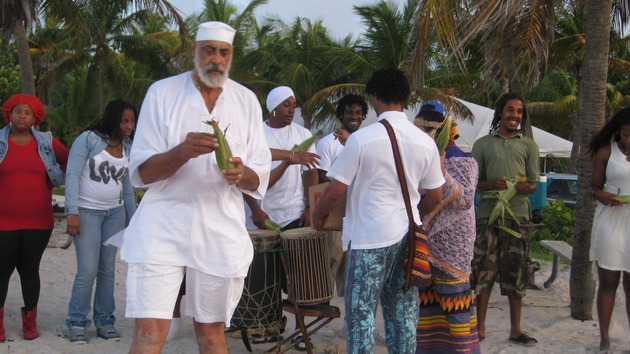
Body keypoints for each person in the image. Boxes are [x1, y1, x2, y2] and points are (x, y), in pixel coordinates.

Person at [120, 21, 271, 354]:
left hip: (219, 229)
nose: (216, 59)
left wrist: (241, 174)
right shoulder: (162, 93)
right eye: (209, 50)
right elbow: (141, 173)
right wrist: (182, 151)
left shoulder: (245, 100)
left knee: (211, 333)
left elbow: (259, 175)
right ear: (194, 51)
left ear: (230, 55)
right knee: (149, 332)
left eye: (224, 52)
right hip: (162, 225)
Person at [312, 67, 444, 353]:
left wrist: (317, 215)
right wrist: (412, 211)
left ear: (374, 97)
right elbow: (435, 196)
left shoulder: (362, 138)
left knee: (361, 316)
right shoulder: (425, 142)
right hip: (407, 238)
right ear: (405, 99)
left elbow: (334, 191)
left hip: (368, 238)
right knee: (403, 314)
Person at [60, 99, 138, 343]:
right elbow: (72, 173)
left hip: (114, 214)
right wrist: (72, 211)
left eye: (132, 121)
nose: (129, 126)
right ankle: (76, 322)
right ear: (113, 118)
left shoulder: (128, 147)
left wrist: (133, 220)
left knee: (107, 270)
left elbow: (127, 188)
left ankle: (105, 320)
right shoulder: (89, 139)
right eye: (124, 120)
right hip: (87, 212)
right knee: (87, 270)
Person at [471, 92, 539, 347]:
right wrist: (491, 183)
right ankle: (479, 328)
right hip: (488, 216)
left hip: (518, 217)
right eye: (511, 110)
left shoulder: (529, 145)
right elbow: (474, 184)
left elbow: (533, 182)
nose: (515, 116)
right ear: (500, 112)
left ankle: (516, 329)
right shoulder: (483, 144)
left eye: (520, 111)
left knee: (516, 271)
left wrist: (525, 188)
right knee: (483, 271)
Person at [413, 102, 480, 353]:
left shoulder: (463, 160)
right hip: (424, 244)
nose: (424, 133)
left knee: (455, 309)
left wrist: (440, 167)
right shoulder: (419, 156)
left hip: (453, 250)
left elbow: (463, 201)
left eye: (430, 129)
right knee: (428, 308)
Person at [0, 94, 69, 341]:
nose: (22, 115)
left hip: (38, 220)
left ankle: (30, 322)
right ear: (9, 113)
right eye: (18, 111)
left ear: (35, 117)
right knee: (2, 269)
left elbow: (72, 161)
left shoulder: (47, 143)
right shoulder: (0, 140)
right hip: (2, 220)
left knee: (29, 270)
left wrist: (55, 178)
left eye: (27, 112)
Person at [245, 86, 319, 232]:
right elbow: (244, 178)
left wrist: (310, 208)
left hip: (294, 214)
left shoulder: (303, 134)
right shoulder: (255, 134)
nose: (291, 110)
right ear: (273, 108)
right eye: (286, 105)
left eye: (293, 106)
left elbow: (311, 173)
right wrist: (255, 210)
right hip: (262, 215)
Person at [315, 94, 368, 298]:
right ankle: (324, 317)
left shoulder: (364, 142)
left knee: (353, 270)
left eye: (358, 113)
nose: (354, 117)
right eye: (349, 112)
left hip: (359, 215)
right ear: (340, 115)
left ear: (363, 115)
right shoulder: (328, 143)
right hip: (336, 214)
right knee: (331, 261)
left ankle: (349, 320)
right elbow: (322, 177)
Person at [587, 106, 630, 352]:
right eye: (625, 134)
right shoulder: (606, 151)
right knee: (609, 281)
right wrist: (601, 195)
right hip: (610, 221)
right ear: (618, 133)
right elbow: (593, 187)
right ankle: (604, 339)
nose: (629, 139)